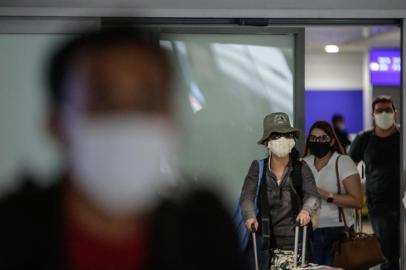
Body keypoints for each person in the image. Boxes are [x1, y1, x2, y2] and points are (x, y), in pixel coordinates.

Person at [0, 28, 246, 270]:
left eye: (148, 101)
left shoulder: (204, 233)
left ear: (174, 121)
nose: (128, 120)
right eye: (104, 101)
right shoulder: (12, 232)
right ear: (56, 122)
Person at [239, 112, 321, 270]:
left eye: (286, 135)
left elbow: (312, 194)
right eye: (276, 136)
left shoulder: (301, 167)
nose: (282, 140)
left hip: (296, 242)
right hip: (265, 245)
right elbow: (246, 198)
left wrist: (306, 210)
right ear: (267, 142)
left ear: (292, 139)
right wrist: (249, 217)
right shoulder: (258, 167)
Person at [349, 96, 400, 270]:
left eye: (388, 110)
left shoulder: (403, 137)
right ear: (373, 114)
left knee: (401, 250)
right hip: (379, 205)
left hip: (403, 203)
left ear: (395, 113)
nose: (384, 114)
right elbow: (348, 168)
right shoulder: (364, 139)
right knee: (387, 254)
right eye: (380, 111)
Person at [303, 121, 362, 266]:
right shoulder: (303, 163)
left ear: (332, 141)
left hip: (337, 232)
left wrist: (325, 195)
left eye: (323, 138)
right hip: (309, 231)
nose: (318, 142)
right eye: (313, 138)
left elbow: (357, 201)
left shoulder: (343, 162)